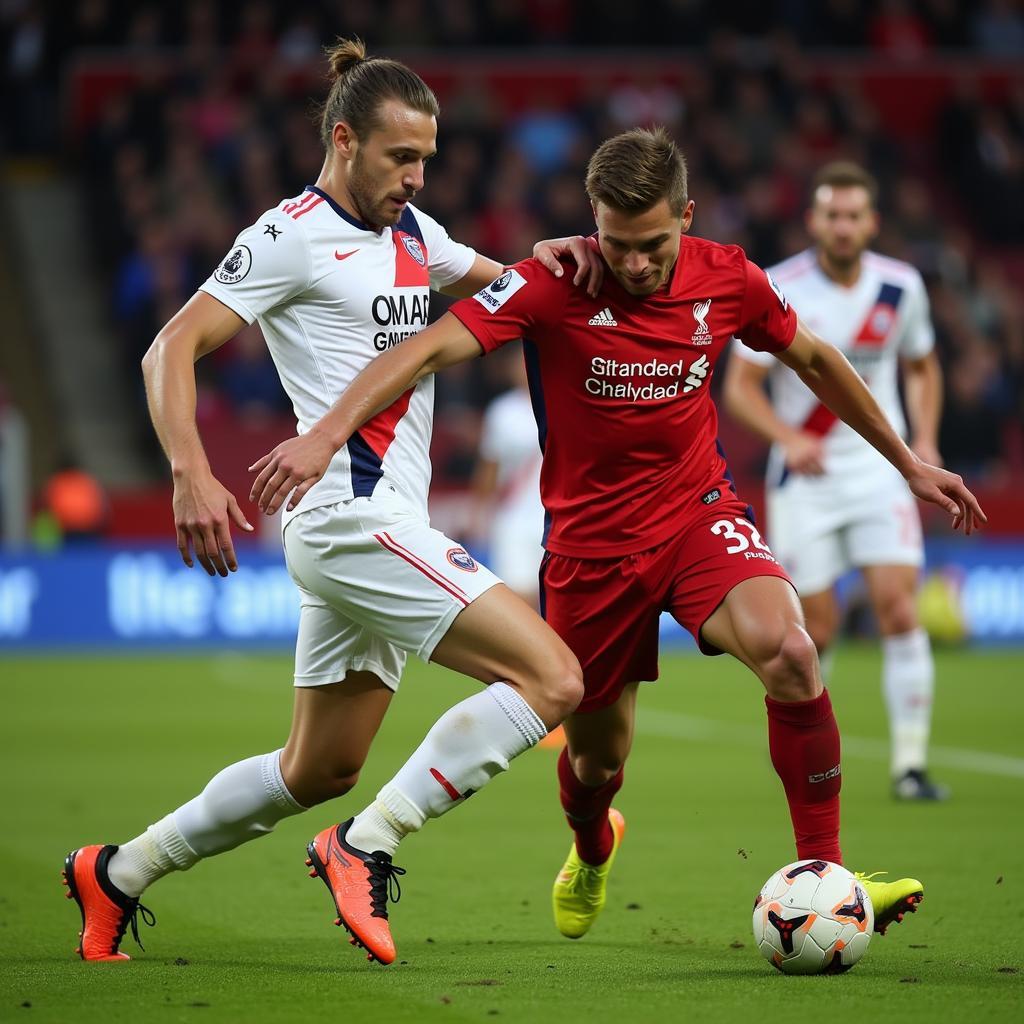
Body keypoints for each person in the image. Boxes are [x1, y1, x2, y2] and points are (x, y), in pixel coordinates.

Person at [249, 127, 985, 951]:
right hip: (591, 552)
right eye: (618, 243)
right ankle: (594, 846)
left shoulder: (728, 277)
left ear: (689, 217)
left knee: (792, 653)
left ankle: (833, 877)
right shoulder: (551, 285)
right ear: (592, 220)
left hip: (697, 515)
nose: (634, 265)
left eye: (654, 245)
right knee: (597, 764)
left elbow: (813, 357)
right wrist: (324, 437)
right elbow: (425, 348)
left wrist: (908, 462)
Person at [63, 38, 605, 966]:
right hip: (352, 521)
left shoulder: (416, 236)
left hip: (383, 524)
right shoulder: (288, 236)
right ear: (345, 140)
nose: (417, 177)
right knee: (553, 681)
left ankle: (117, 872)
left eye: (427, 158)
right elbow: (169, 350)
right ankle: (365, 844)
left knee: (317, 768)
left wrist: (553, 259)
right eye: (402, 157)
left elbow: (510, 292)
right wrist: (191, 471)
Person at [723, 162, 949, 801]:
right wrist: (787, 437)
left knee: (899, 608)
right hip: (809, 480)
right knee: (812, 629)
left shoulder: (900, 288)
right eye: (832, 215)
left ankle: (910, 765)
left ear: (872, 222)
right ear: (814, 221)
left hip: (881, 473)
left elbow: (924, 367)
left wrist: (924, 440)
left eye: (854, 216)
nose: (843, 227)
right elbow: (740, 388)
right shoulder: (779, 285)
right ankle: (818, 762)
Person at [468, 347, 545, 608]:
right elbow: (489, 467)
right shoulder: (502, 411)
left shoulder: (564, 404)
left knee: (556, 601)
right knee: (520, 599)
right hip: (513, 517)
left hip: (556, 518)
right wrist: (478, 513)